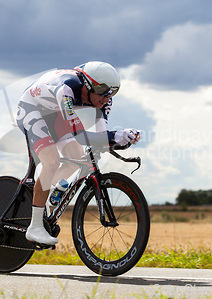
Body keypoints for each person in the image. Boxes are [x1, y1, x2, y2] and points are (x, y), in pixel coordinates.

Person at [16, 61, 141, 245]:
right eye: (103, 92)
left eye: (112, 93)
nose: (107, 98)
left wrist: (121, 138)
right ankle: (34, 227)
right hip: (31, 109)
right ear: (88, 86)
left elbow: (100, 135)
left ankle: (47, 201)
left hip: (55, 112)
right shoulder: (66, 90)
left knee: (76, 158)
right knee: (51, 162)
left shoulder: (104, 98)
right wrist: (115, 135)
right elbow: (81, 136)